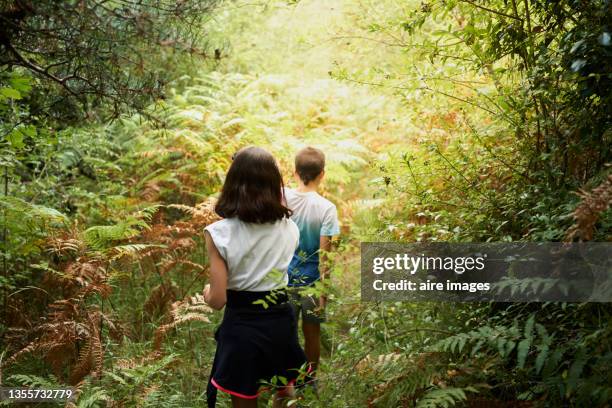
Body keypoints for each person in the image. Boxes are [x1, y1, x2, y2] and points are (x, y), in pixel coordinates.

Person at [203, 146, 308, 408]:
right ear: (274, 183)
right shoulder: (290, 228)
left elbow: (217, 300)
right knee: (284, 391)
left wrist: (207, 291)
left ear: (233, 183)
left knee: (245, 398)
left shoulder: (219, 233)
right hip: (280, 321)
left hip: (242, 328)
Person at [284, 146, 340, 378]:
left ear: (295, 172)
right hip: (313, 284)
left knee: (286, 335)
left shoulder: (282, 197)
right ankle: (309, 381)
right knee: (312, 335)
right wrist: (324, 292)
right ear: (322, 174)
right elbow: (325, 256)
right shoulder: (327, 208)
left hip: (282, 279)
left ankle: (285, 383)